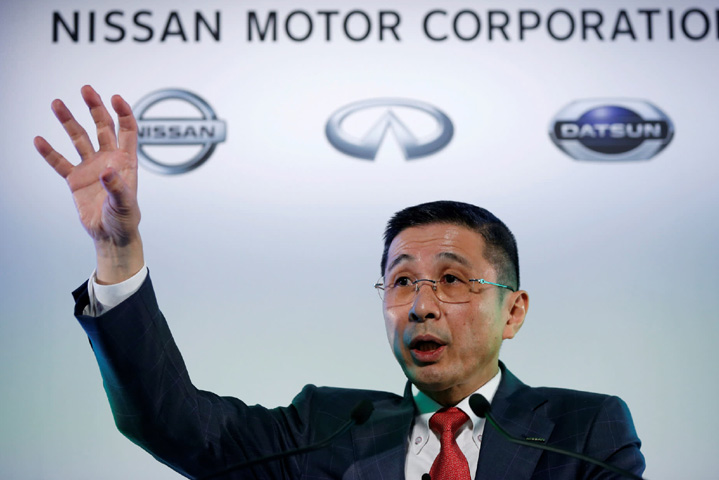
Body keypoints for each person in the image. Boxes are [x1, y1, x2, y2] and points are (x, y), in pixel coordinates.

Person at [35, 86, 645, 479]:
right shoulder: (325, 427)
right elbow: (171, 422)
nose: (421, 306)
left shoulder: (584, 431)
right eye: (401, 282)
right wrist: (117, 250)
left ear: (513, 311)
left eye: (451, 280)